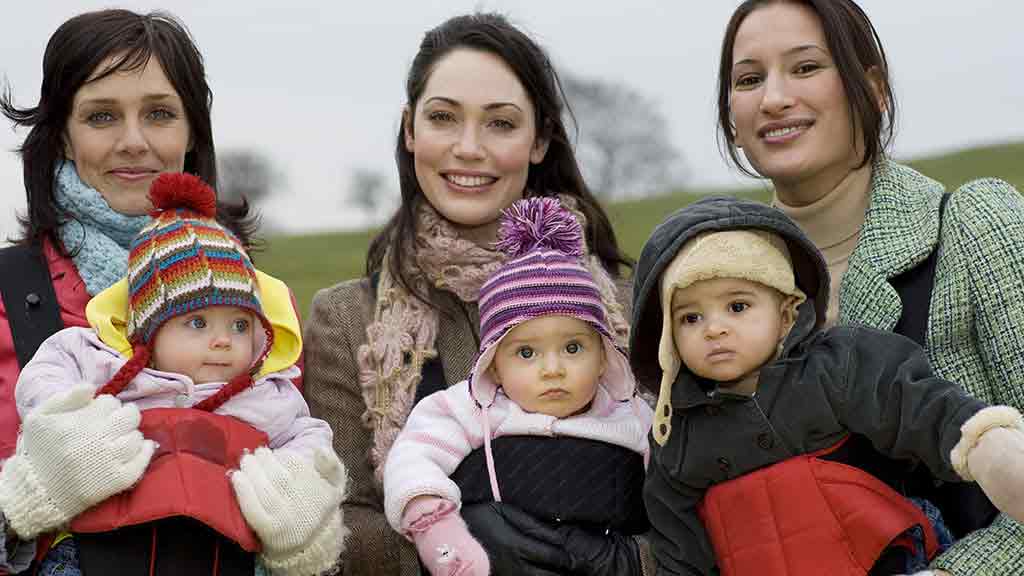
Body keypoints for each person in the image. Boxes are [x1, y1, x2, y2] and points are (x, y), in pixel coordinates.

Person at [302, 12, 643, 576]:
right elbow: (337, 517)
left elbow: (690, 492)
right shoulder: (346, 319)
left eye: (500, 124)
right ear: (411, 130)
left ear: (541, 140)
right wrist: (461, 550)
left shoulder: (629, 308)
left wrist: (624, 562)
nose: (468, 147)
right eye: (443, 118)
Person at [715, 1, 1024, 573]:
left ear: (874, 88)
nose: (774, 98)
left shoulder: (978, 225)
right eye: (750, 79)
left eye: (805, 68)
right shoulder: (711, 288)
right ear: (733, 119)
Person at [628, 195, 1024, 576]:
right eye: (690, 318)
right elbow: (678, 547)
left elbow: (914, 403)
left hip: (889, 557)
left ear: (786, 314)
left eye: (737, 307)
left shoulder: (835, 365)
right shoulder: (675, 434)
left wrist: (983, 443)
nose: (714, 328)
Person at [0, 9, 267, 573]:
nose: (133, 141)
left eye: (160, 114)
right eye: (101, 116)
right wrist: (19, 507)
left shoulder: (261, 303)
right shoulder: (6, 297)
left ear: (192, 132)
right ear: (63, 137)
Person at [0, 173, 346, 576]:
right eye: (198, 323)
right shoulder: (107, 364)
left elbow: (310, 438)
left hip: (222, 556)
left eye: (239, 325)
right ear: (148, 333)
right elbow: (50, 366)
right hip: (92, 555)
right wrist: (60, 422)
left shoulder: (268, 395)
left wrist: (304, 499)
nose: (223, 341)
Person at [384, 197, 652, 576]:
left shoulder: (636, 418)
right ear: (494, 364)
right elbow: (413, 457)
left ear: (605, 355)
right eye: (526, 352)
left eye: (573, 348)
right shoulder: (472, 410)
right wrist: (437, 525)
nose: (552, 369)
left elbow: (678, 493)